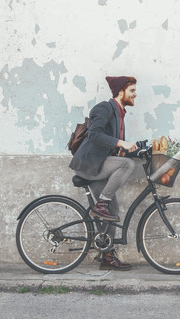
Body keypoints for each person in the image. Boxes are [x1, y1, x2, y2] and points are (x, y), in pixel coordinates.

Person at [69, 76, 139, 270]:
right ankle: (101, 203)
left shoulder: (120, 114)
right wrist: (121, 143)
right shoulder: (104, 108)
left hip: (99, 165)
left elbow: (109, 145)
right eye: (132, 91)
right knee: (126, 166)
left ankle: (107, 256)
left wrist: (130, 148)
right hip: (89, 165)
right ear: (121, 91)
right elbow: (95, 134)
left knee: (112, 211)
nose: (135, 94)